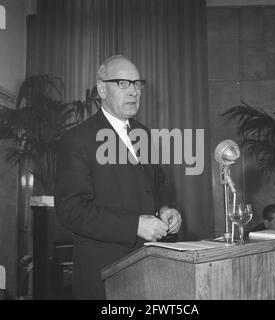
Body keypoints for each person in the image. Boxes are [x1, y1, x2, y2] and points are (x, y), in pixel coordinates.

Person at [54, 55, 182, 300]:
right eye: (123, 84)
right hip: (104, 278)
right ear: (102, 89)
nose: (133, 91)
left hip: (149, 270)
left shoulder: (143, 133)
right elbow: (71, 210)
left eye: (137, 84)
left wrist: (166, 209)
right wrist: (134, 225)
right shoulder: (77, 140)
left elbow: (157, 186)